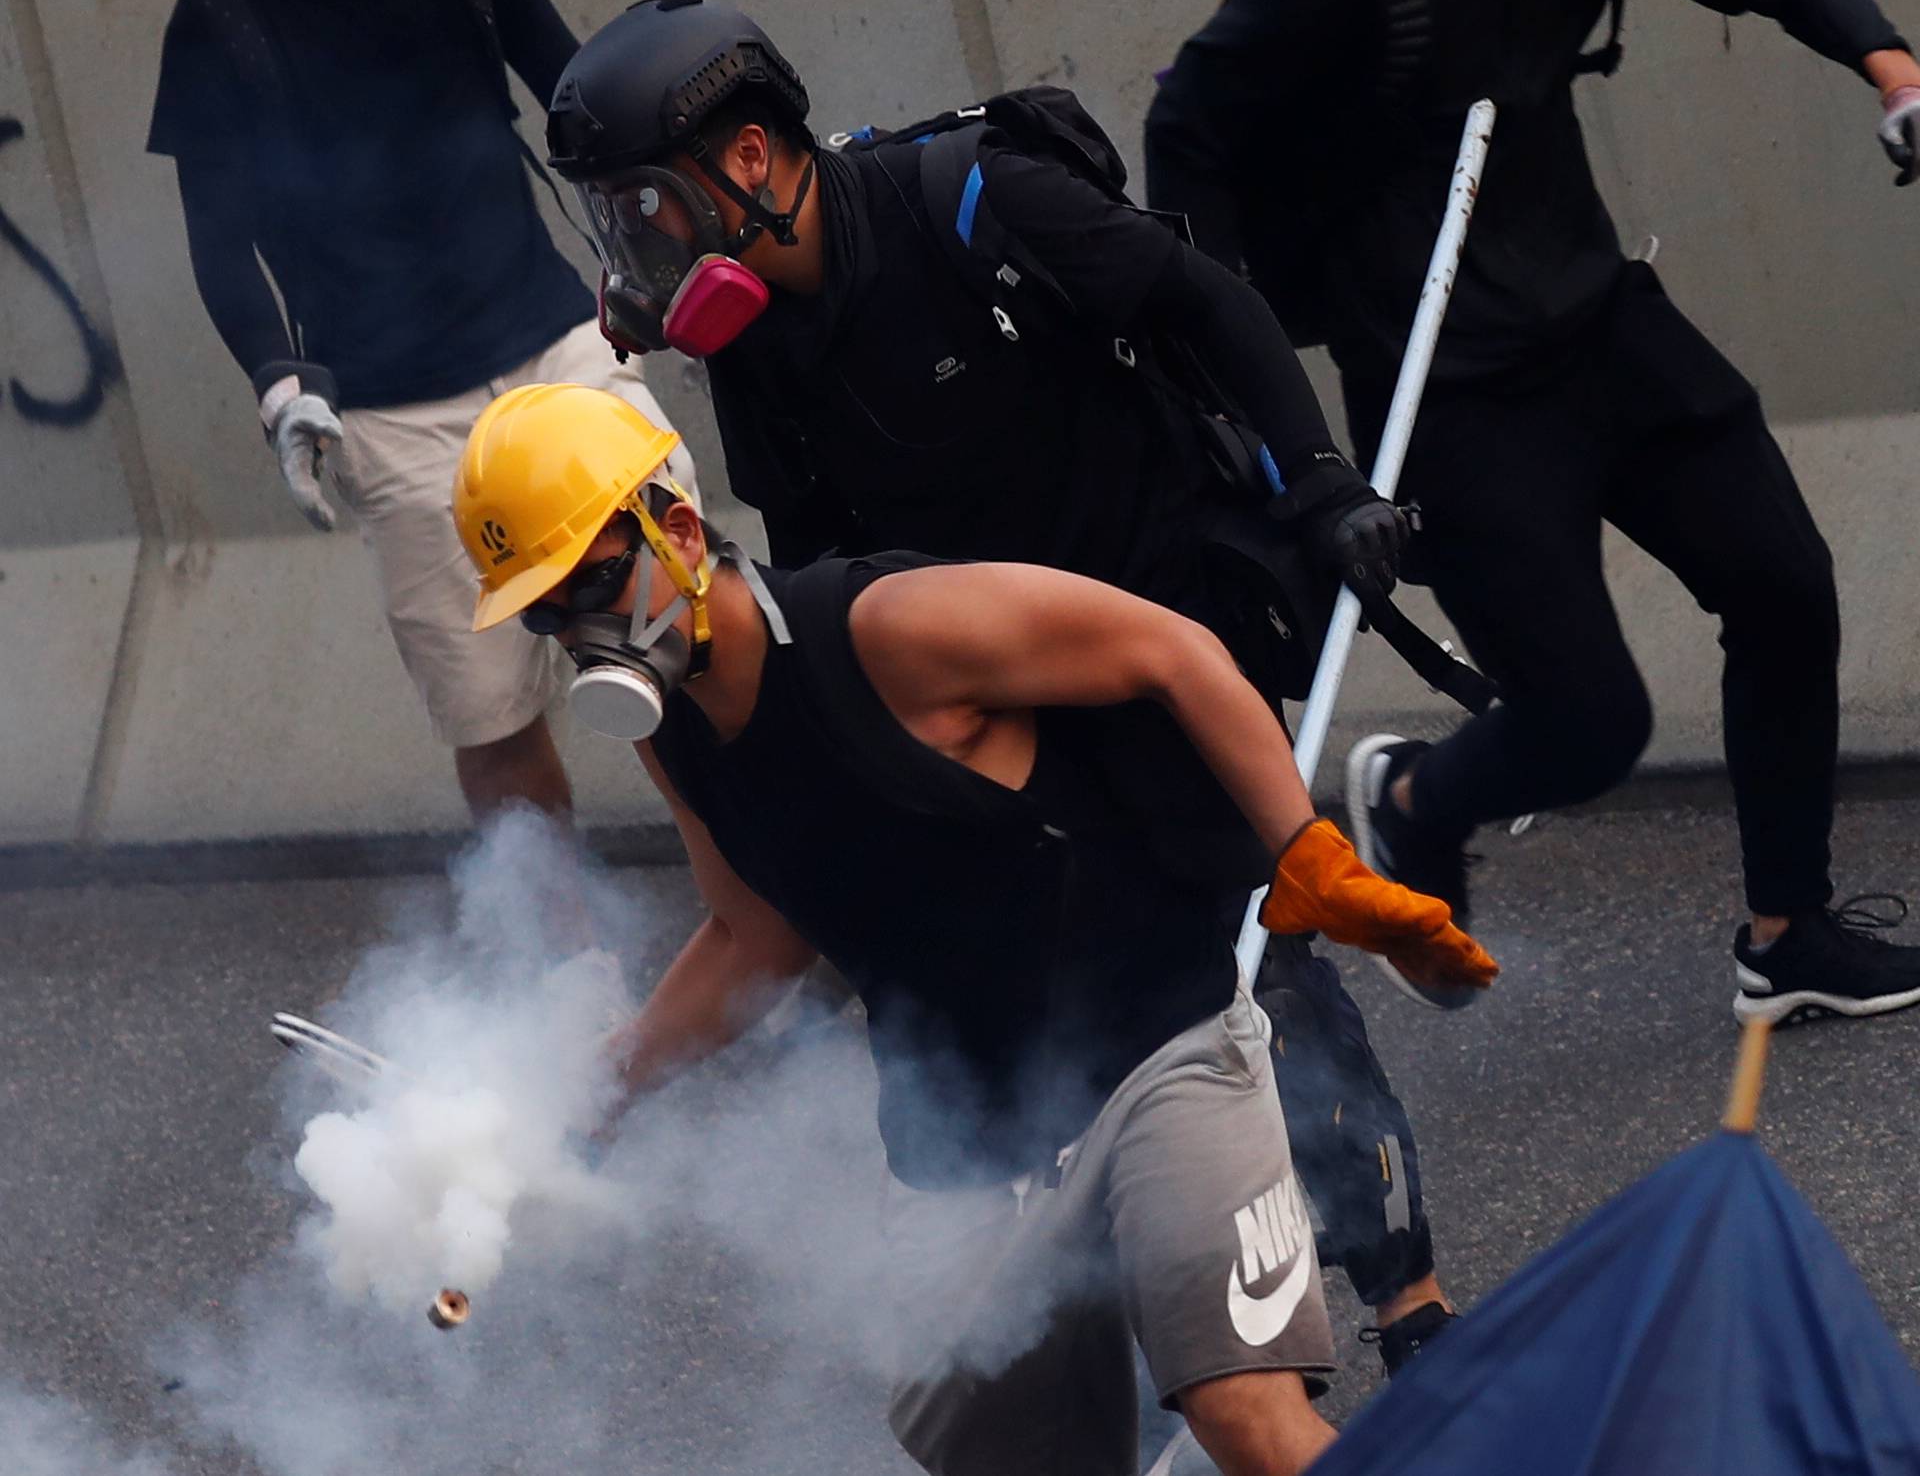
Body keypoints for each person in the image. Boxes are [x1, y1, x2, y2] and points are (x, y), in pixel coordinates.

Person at [542, 0, 1465, 1372]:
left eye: (644, 214)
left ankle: (1410, 1299)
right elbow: (820, 584)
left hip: (1150, 641)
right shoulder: (756, 354)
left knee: (1249, 961)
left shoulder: (968, 198)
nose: (633, 260)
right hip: (986, 693)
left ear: (744, 161)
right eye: (611, 224)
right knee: (1078, 983)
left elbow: (1201, 300)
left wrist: (1319, 482)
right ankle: (1184, 1329)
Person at [449, 382, 1497, 1476]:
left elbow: (1170, 651)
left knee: (1248, 1421)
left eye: (594, 583)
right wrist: (611, 1083)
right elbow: (754, 936)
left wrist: (1306, 852)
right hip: (964, 1146)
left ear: (672, 526)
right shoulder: (677, 738)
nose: (582, 632)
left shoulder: (884, 629)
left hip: (1159, 1052)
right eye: (546, 612)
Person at [1144, 0, 1920, 1024]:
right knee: (1589, 724)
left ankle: (1787, 934)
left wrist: (1890, 65)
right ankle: (1419, 792)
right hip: (1450, 380)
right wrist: (1235, 368)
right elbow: (1189, 131)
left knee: (1785, 583)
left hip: (1595, 316)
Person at [144, 0, 693, 824]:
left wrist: (661, 240)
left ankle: (778, 919)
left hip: (557, 345)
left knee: (678, 639)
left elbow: (575, 93)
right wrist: (280, 384)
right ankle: (553, 980)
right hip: (396, 420)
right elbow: (218, 238)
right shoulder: (216, 19)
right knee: (490, 715)